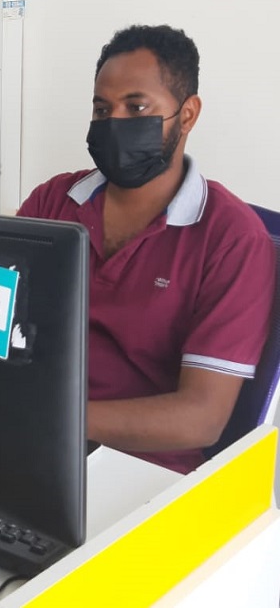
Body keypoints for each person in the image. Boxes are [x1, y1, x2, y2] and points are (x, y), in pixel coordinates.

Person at [18, 25, 276, 474]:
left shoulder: (232, 238)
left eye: (136, 107)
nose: (114, 123)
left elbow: (201, 418)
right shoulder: (53, 201)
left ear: (187, 115)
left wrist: (53, 417)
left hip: (140, 469)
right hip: (28, 435)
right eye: (102, 109)